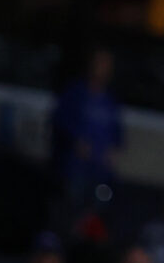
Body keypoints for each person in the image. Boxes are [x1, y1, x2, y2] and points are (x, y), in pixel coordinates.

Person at [47, 51, 122, 224]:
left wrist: (111, 153)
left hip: (100, 174)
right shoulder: (75, 93)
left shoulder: (109, 100)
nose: (103, 69)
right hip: (73, 171)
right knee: (67, 216)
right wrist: (76, 142)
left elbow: (117, 135)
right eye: (100, 63)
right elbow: (59, 122)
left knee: (94, 219)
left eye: (107, 65)